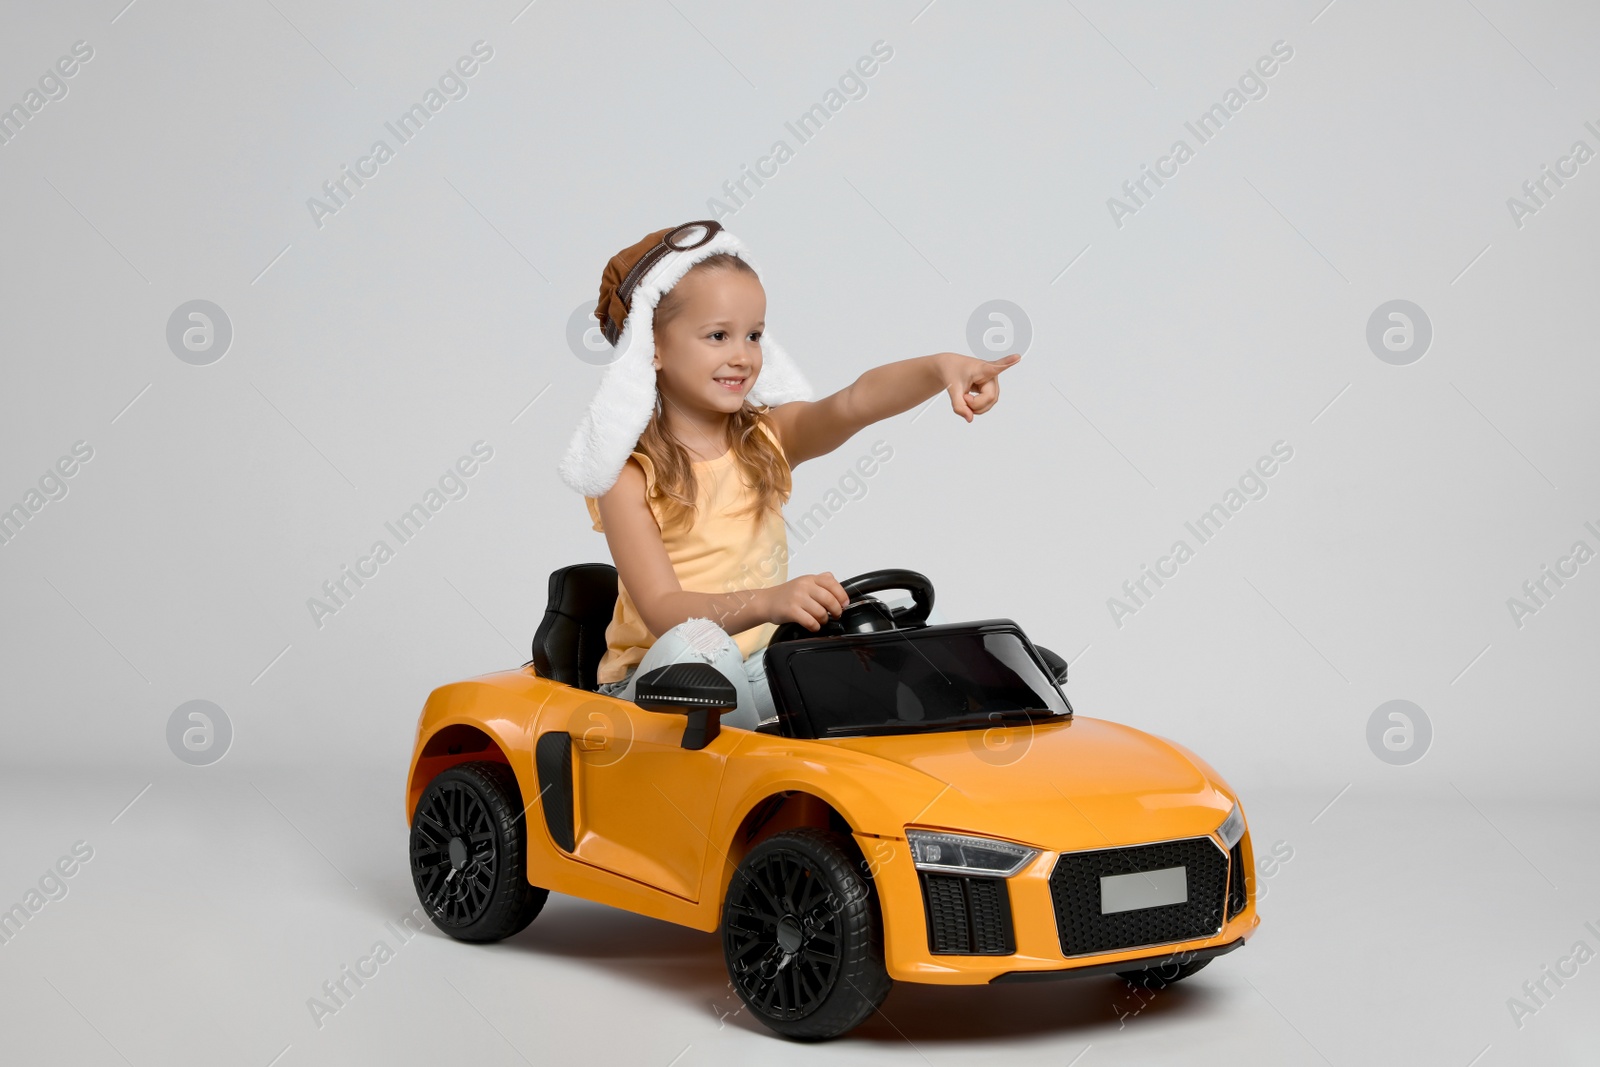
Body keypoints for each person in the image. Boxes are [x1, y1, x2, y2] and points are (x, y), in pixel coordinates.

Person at [558, 219, 1020, 731]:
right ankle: (755, 764)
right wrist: (770, 601)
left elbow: (854, 402)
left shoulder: (765, 440)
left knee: (843, 658)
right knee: (703, 644)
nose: (742, 356)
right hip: (657, 684)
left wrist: (939, 369)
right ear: (653, 348)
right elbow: (665, 610)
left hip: (756, 666)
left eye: (753, 335)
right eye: (718, 336)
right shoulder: (628, 475)